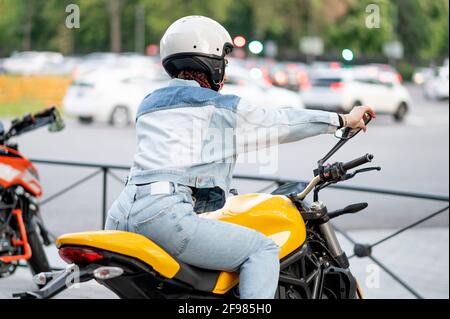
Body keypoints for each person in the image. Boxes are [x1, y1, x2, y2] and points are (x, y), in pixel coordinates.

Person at [105, 15, 376, 299]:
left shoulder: (149, 104)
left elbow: (183, 158)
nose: (225, 68)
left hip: (120, 213)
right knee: (262, 249)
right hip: (164, 217)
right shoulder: (220, 108)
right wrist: (343, 119)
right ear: (212, 61)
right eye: (224, 59)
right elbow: (281, 122)